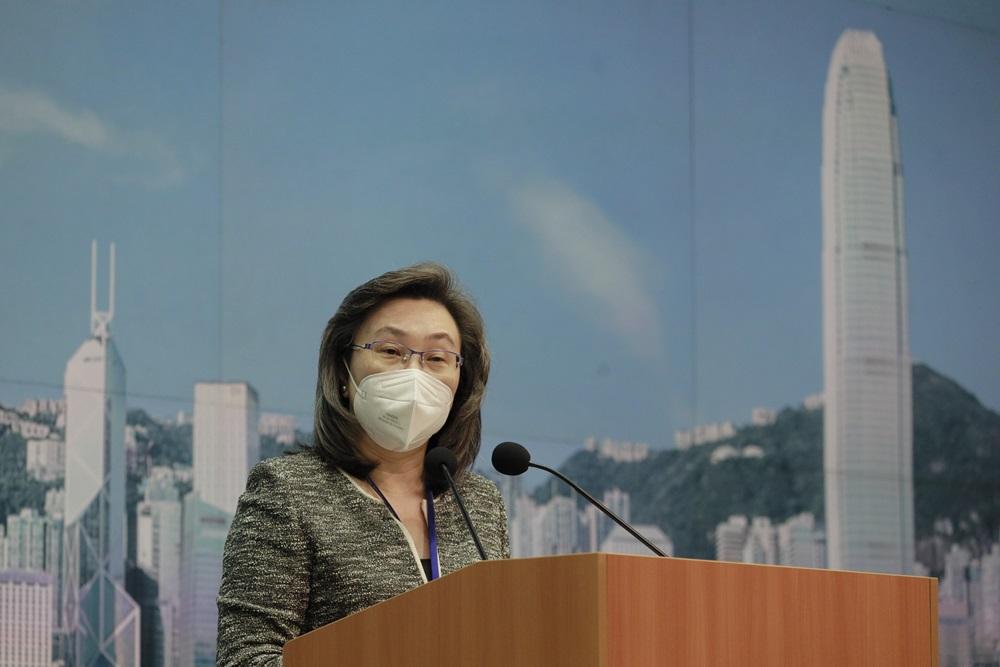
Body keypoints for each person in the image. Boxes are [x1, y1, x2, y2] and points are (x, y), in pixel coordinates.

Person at [216, 263, 510, 666]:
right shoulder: (289, 492)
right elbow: (246, 657)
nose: (414, 373)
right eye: (390, 351)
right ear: (342, 371)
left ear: (462, 382)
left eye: (437, 357)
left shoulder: (479, 502)